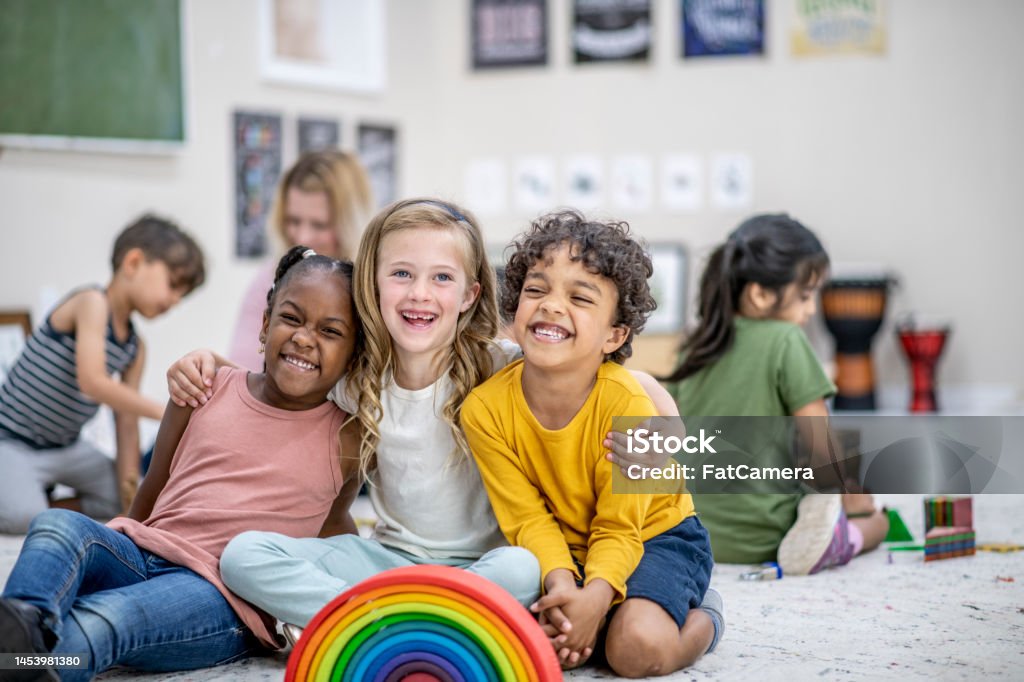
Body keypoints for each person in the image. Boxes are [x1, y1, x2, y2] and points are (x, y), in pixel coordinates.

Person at [166, 198, 680, 639]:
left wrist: (668, 435)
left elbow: (636, 387)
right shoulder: (354, 380)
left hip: (484, 565)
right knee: (243, 556)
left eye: (441, 278)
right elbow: (282, 378)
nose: (419, 293)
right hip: (388, 562)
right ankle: (400, 620)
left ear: (469, 295)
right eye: (401, 274)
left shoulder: (500, 364)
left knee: (525, 567)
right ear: (373, 284)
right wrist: (213, 365)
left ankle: (368, 620)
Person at [0, 247, 362, 680]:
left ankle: (24, 670)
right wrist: (117, 544)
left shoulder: (348, 437)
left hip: (221, 598)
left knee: (109, 615)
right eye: (291, 318)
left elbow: (336, 531)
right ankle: (21, 632)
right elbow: (153, 486)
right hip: (143, 554)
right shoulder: (203, 387)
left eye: (330, 330)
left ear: (354, 355)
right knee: (57, 526)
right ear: (265, 325)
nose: (305, 337)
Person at [461, 210, 723, 677]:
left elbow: (620, 528)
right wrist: (565, 587)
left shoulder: (626, 401)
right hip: (565, 544)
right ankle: (605, 611)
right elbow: (526, 520)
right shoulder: (483, 409)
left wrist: (597, 597)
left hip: (656, 535)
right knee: (532, 644)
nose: (551, 306)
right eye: (536, 290)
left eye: (580, 297)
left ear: (614, 335)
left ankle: (705, 619)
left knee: (635, 649)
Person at [662, 213, 889, 575]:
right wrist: (857, 501)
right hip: (767, 537)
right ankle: (846, 536)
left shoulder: (694, 346)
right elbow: (821, 448)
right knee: (877, 522)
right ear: (760, 294)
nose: (811, 310)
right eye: (804, 296)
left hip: (696, 532)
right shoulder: (785, 340)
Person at [0, 214, 205, 534]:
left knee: (119, 497)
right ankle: (30, 499)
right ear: (134, 262)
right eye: (173, 284)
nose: (175, 300)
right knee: (22, 519)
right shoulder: (91, 302)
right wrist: (164, 410)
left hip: (65, 447)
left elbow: (126, 424)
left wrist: (130, 503)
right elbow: (92, 382)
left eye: (182, 294)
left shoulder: (134, 347)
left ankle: (45, 503)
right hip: (11, 440)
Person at [229, 150, 373, 371]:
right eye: (293, 221)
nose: (302, 237)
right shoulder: (270, 281)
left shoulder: (376, 289)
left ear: (349, 225)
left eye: (319, 225)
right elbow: (242, 368)